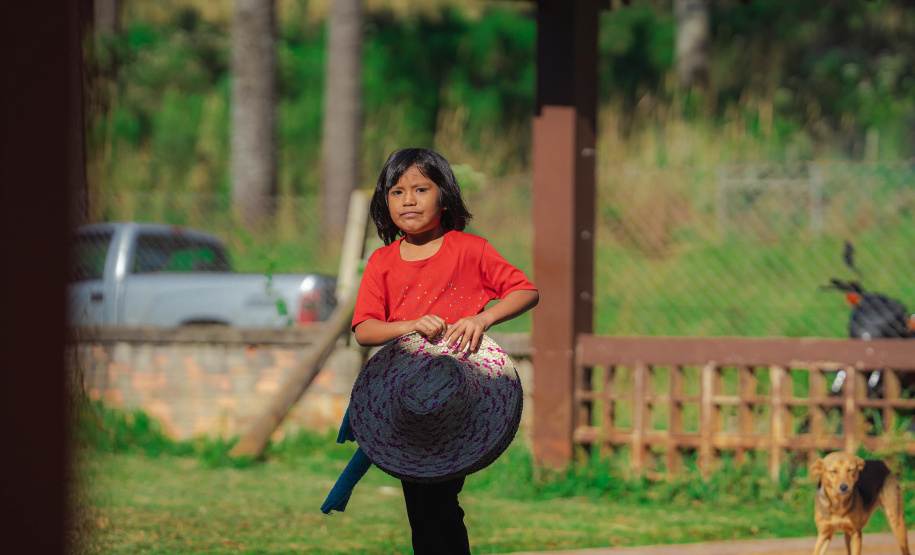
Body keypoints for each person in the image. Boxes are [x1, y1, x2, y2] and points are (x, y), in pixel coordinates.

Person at [351, 147, 539, 554]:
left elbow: (525, 291)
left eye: (421, 189)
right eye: (397, 192)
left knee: (435, 503)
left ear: (446, 197)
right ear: (385, 202)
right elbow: (364, 330)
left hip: (457, 399)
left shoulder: (471, 250)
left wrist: (482, 319)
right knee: (421, 509)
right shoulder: (382, 261)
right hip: (410, 404)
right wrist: (409, 325)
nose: (409, 200)